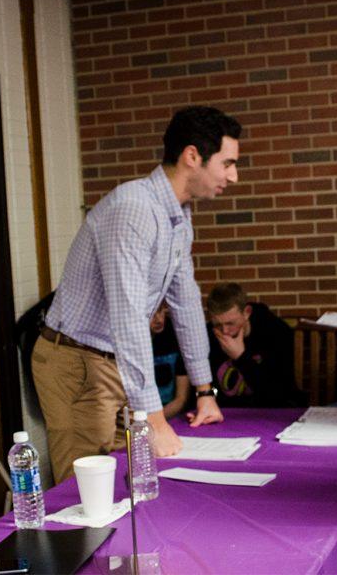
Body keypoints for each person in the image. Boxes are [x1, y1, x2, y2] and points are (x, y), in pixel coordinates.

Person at [32, 106, 240, 482]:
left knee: (135, 481)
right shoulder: (134, 208)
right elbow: (127, 316)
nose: (233, 175)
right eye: (227, 163)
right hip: (78, 362)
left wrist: (204, 389)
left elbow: (186, 302)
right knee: (88, 493)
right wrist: (155, 420)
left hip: (113, 360)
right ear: (192, 156)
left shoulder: (178, 214)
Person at [205, 283, 303, 408]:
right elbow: (209, 388)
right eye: (218, 324)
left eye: (230, 323)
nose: (225, 331)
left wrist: (241, 357)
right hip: (226, 412)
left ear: (247, 312)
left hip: (269, 411)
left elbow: (279, 394)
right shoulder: (209, 334)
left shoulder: (275, 331)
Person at [149, 301, 191, 420]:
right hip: (138, 415)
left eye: (161, 310)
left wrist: (155, 421)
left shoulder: (176, 335)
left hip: (170, 415)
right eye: (152, 314)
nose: (159, 319)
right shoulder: (130, 341)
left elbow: (181, 399)